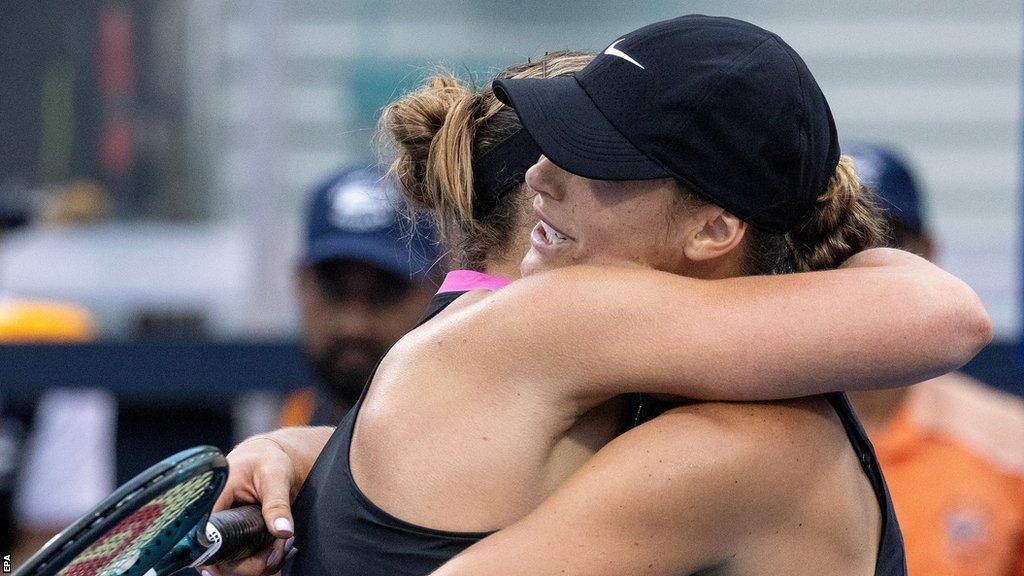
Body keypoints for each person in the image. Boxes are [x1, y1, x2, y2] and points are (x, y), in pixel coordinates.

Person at [209, 18, 989, 576]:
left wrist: (293, 458)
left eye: (597, 160)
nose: (542, 176)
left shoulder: (733, 437)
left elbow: (950, 317)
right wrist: (291, 453)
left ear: (715, 228)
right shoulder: (586, 353)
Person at [844, 142, 1024, 576]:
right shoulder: (747, 437)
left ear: (928, 250)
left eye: (888, 240)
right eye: (843, 241)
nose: (864, 264)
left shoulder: (1008, 443)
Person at [282, 166, 440, 426]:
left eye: (387, 292)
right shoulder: (285, 428)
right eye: (333, 290)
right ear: (301, 287)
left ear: (439, 289)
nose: (354, 326)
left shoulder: (486, 442)